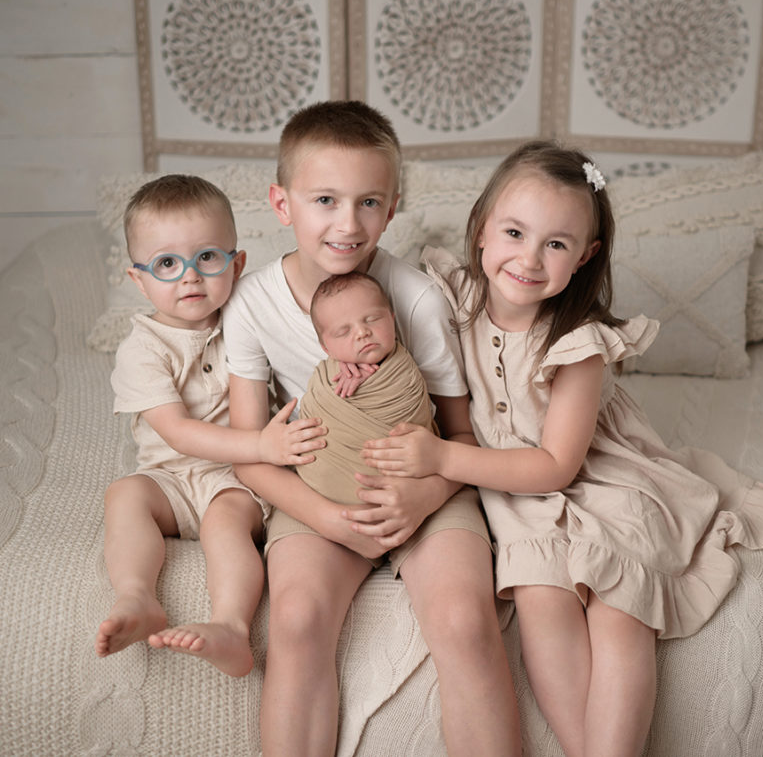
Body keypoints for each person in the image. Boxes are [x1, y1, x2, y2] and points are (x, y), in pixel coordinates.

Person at [361, 140, 763, 757]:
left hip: (599, 479)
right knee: (542, 600)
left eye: (555, 243)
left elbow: (557, 466)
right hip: (516, 495)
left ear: (586, 256)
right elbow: (366, 312)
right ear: (481, 229)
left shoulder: (579, 342)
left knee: (620, 605)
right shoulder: (448, 300)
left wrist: (442, 458)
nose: (529, 258)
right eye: (514, 232)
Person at [223, 101, 521, 756]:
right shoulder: (252, 305)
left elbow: (461, 437)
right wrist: (327, 519)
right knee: (296, 619)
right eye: (325, 200)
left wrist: (424, 497)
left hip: (426, 487)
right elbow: (250, 453)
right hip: (320, 492)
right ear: (282, 204)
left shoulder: (414, 297)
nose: (348, 223)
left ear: (391, 210)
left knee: (465, 620)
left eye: (368, 202)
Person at [94, 174, 325, 677]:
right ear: (138, 280)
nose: (190, 278)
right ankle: (137, 595)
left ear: (237, 265)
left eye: (207, 258)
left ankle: (231, 627)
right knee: (125, 495)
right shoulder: (143, 349)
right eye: (166, 264)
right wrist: (262, 444)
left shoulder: (251, 319)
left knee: (225, 523)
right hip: (170, 481)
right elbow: (177, 432)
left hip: (235, 480)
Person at [296, 270, 438, 522]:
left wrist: (376, 375)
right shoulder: (325, 378)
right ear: (326, 348)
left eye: (372, 319)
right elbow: (313, 425)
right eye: (343, 332)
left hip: (409, 494)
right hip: (326, 502)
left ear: (392, 319)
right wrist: (338, 369)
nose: (362, 332)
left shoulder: (404, 371)